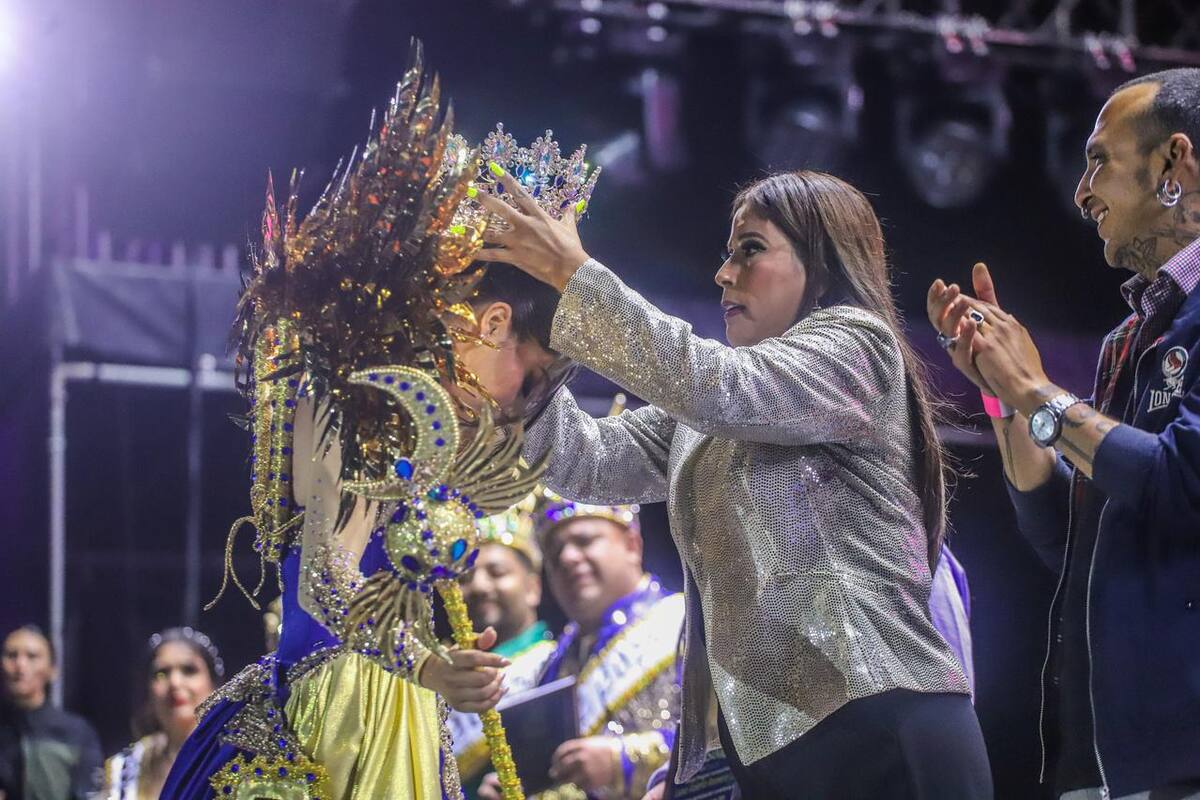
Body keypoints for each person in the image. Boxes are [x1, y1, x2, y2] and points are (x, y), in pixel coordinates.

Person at [474, 168, 992, 799]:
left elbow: (712, 385)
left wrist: (573, 274)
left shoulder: (857, 346)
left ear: (823, 262)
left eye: (751, 249)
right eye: (726, 254)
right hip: (766, 754)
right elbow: (587, 460)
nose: (724, 273)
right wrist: (525, 340)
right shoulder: (706, 416)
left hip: (875, 727)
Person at [161, 56, 598, 799]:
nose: (522, 407)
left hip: (385, 705)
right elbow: (329, 578)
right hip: (343, 719)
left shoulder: (397, 399)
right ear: (495, 323)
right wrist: (428, 666)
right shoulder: (361, 388)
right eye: (532, 380)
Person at [927, 67, 1200, 800]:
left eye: (1099, 160)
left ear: (1176, 163)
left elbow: (1181, 481)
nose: (1082, 192)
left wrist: (1034, 389)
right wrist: (1007, 404)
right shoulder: (1125, 343)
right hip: (1097, 764)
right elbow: (1062, 538)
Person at [452, 496, 556, 796]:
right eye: (466, 576)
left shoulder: (559, 663)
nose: (481, 587)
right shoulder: (440, 678)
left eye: (497, 573)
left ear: (533, 587)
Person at [100, 628, 223, 800]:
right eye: (162, 673)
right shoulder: (124, 770)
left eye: (189, 670)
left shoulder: (235, 758)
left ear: (215, 686)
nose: (174, 682)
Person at [0, 625, 101, 800]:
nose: (20, 665)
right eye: (11, 655)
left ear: (52, 669)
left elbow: (90, 791)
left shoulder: (76, 733)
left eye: (32, 656)